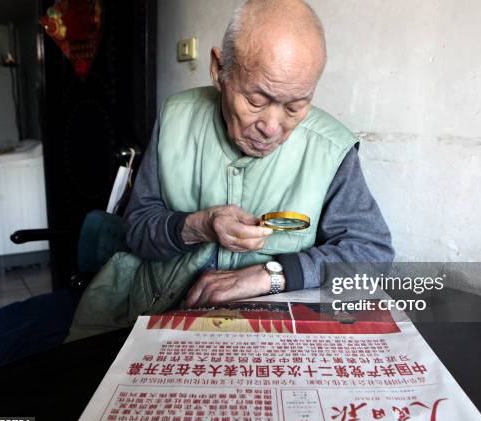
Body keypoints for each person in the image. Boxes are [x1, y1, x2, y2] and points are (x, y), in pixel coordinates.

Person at [67, 0, 393, 341]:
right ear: (218, 69)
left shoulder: (331, 149)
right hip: (156, 308)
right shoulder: (176, 118)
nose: (272, 126)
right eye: (256, 101)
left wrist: (272, 274)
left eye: (295, 106)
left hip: (267, 335)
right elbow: (135, 229)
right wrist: (197, 227)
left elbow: (372, 253)